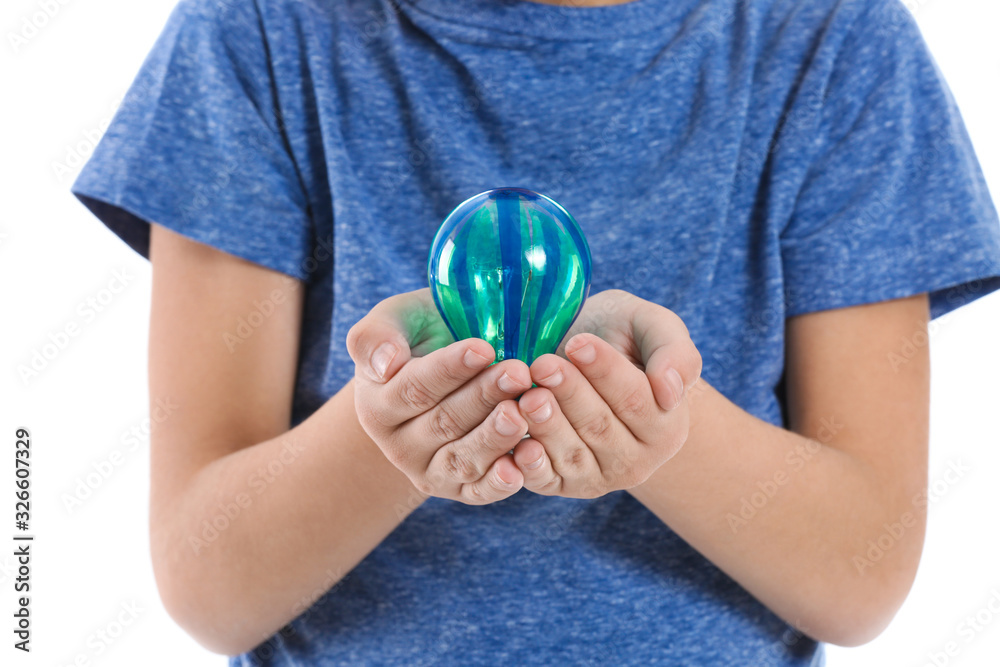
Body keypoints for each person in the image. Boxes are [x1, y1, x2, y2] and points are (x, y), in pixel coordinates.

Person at [70, 0, 1000, 663]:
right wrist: (391, 430)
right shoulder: (257, 32)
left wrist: (662, 433)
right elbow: (206, 581)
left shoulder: (837, 42)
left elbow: (862, 571)